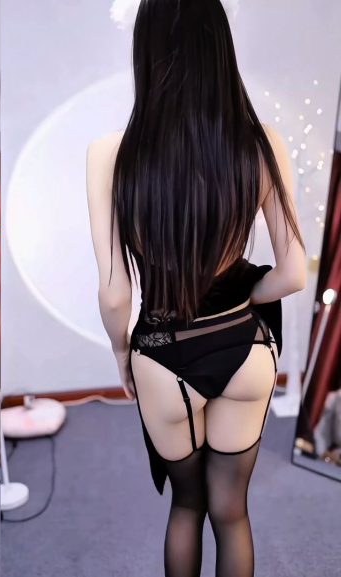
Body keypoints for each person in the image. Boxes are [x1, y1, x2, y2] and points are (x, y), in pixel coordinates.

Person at [86, 1, 306, 576]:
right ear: (219, 48)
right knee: (232, 512)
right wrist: (244, 296)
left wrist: (121, 354)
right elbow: (293, 273)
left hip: (164, 355)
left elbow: (114, 293)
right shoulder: (261, 143)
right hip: (245, 350)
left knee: (187, 506)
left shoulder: (111, 154)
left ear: (146, 49)